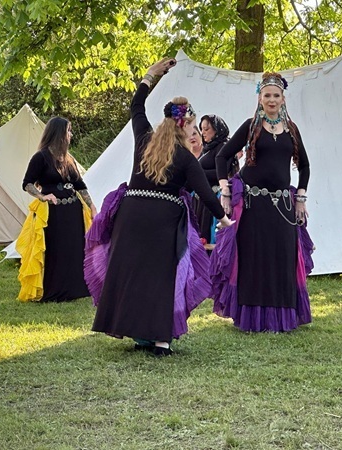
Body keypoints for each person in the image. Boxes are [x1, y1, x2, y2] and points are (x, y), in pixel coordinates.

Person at [86, 57, 233, 356]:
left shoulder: (144, 139)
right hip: (163, 221)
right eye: (193, 125)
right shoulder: (186, 158)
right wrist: (225, 220)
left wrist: (150, 76)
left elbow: (136, 107)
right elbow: (206, 194)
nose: (194, 131)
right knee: (163, 278)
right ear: (185, 125)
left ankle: (137, 332)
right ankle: (160, 341)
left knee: (133, 274)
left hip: (131, 215)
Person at [211, 71, 314, 332]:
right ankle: (252, 317)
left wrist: (301, 198)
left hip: (283, 206)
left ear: (283, 98)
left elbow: (304, 165)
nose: (271, 100)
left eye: (276, 95)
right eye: (267, 95)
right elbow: (222, 156)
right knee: (254, 260)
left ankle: (281, 318)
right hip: (252, 205)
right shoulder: (251, 126)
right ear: (260, 98)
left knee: (282, 258)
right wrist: (225, 189)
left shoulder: (291, 129)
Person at [17, 117, 96, 302]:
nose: (71, 134)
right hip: (54, 213)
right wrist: (42, 196)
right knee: (57, 250)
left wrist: (92, 206)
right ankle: (55, 290)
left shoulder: (68, 159)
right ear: (59, 133)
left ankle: (76, 289)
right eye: (68, 131)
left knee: (74, 249)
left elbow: (80, 185)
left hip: (73, 212)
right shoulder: (41, 157)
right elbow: (27, 183)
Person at [192, 114, 237, 245]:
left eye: (207, 129)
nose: (203, 133)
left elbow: (221, 172)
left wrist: (197, 173)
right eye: (202, 129)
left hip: (214, 197)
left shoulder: (223, 147)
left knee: (209, 236)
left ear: (217, 129)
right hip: (202, 200)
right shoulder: (207, 149)